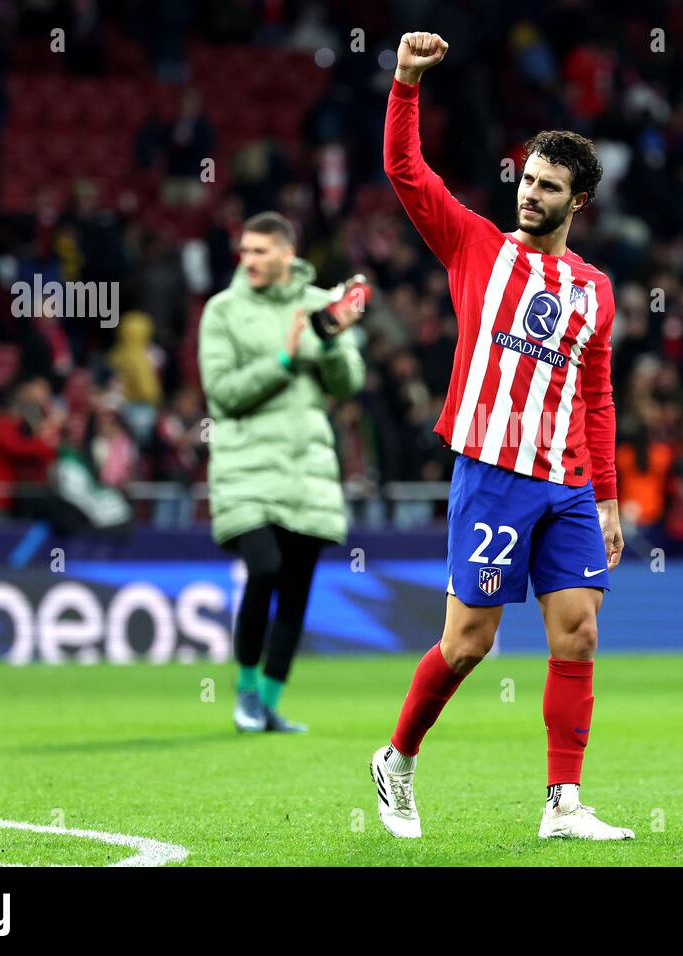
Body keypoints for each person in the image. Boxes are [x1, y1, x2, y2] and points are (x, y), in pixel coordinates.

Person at [371, 32, 629, 841]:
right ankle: (398, 759)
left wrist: (610, 500)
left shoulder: (593, 291)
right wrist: (407, 84)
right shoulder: (474, 247)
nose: (530, 194)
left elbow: (597, 395)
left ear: (577, 202)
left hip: (568, 484)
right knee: (468, 643)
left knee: (579, 631)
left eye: (549, 187)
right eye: (527, 179)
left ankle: (563, 804)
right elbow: (406, 173)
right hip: (491, 474)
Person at [198, 211, 369, 734]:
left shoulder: (319, 303)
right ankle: (246, 693)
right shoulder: (222, 311)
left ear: (287, 255)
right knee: (265, 569)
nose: (247, 259)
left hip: (308, 470)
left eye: (259, 251)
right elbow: (222, 394)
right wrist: (284, 358)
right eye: (244, 250)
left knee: (296, 589)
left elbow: (349, 385)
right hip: (246, 468)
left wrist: (334, 338)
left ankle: (269, 702)